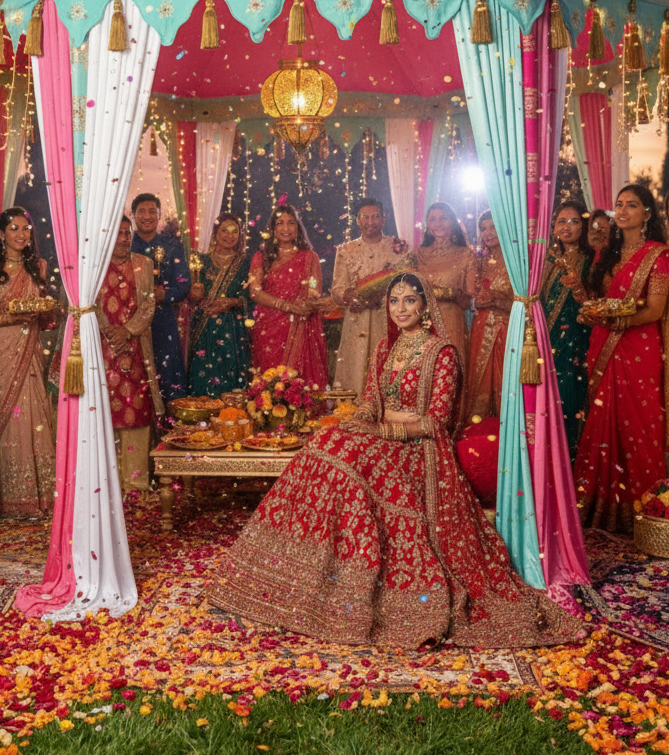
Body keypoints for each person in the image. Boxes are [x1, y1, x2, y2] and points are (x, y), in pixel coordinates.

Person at [205, 273, 581, 649]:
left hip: (420, 450)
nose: (401, 309)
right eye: (395, 301)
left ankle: (347, 577)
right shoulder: (386, 347)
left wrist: (386, 429)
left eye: (410, 300)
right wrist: (360, 420)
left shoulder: (442, 353)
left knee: (349, 462)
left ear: (425, 306)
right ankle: (295, 569)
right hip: (382, 438)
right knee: (325, 444)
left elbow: (435, 422)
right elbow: (371, 401)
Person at [573, 184, 669, 532]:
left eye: (631, 205)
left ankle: (644, 509)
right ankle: (603, 508)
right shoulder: (607, 254)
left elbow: (655, 309)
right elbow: (597, 302)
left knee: (640, 423)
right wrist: (584, 300)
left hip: (639, 348)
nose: (622, 211)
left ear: (647, 213)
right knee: (603, 418)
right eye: (619, 204)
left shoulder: (658, 255)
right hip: (605, 343)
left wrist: (617, 320)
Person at [0, 206, 56, 518]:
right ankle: (10, 499)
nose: (21, 235)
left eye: (26, 229)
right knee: (6, 419)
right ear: (1, 234)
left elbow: (45, 316)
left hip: (29, 350)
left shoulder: (39, 267)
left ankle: (39, 496)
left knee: (33, 414)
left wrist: (45, 311)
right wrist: (13, 317)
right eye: (14, 229)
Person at [97, 216, 163, 492]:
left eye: (128, 233)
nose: (125, 238)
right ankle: (106, 485)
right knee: (102, 414)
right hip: (103, 350)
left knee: (136, 411)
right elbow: (90, 304)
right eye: (119, 233)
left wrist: (128, 331)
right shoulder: (95, 267)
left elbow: (149, 305)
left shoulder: (143, 264)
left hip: (136, 348)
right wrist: (109, 332)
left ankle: (136, 484)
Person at [248, 205, 329, 390]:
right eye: (280, 223)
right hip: (268, 330)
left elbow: (314, 289)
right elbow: (255, 292)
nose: (286, 228)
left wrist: (307, 304)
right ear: (272, 228)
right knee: (269, 383)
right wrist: (287, 306)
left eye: (291, 223)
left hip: (301, 324)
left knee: (301, 384)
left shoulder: (310, 257)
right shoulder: (261, 257)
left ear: (298, 227)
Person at [330, 197, 406, 395]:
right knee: (355, 371)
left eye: (375, 216)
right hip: (357, 321)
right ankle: (353, 408)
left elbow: (405, 283)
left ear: (384, 219)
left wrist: (383, 297)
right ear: (358, 220)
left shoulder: (397, 247)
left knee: (387, 365)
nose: (370, 222)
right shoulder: (346, 250)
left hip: (388, 319)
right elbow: (337, 288)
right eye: (365, 217)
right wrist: (348, 297)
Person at [540, 200, 594, 458]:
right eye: (561, 221)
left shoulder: (591, 259)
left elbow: (594, 304)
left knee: (570, 396)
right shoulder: (546, 261)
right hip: (545, 339)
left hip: (576, 339)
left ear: (584, 227)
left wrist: (578, 289)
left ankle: (570, 459)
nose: (567, 227)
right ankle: (547, 458)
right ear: (553, 228)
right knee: (546, 399)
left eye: (574, 222)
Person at [130, 194, 191, 404]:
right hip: (132, 321)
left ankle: (170, 421)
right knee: (136, 377)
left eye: (152, 212)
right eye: (141, 211)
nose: (147, 216)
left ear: (159, 215)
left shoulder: (172, 246)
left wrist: (165, 294)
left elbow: (184, 284)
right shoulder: (126, 245)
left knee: (168, 376)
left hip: (163, 320)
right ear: (133, 215)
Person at [187, 213, 252, 397]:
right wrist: (194, 294)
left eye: (234, 231)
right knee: (202, 375)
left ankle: (230, 412)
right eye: (224, 230)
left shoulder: (246, 263)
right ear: (215, 232)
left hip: (233, 330)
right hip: (203, 327)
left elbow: (253, 296)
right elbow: (189, 297)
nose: (229, 235)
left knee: (231, 378)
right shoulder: (201, 261)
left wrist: (232, 302)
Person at [412, 202, 476, 383]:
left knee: (448, 377)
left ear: (453, 222)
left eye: (443, 218)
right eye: (432, 219)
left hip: (451, 323)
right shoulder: (419, 255)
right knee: (421, 376)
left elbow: (470, 301)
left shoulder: (466, 255)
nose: (437, 224)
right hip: (421, 323)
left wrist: (449, 294)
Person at [463, 212, 511, 425]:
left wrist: (497, 300)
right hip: (480, 328)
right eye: (483, 229)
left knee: (504, 381)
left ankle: (505, 430)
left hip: (505, 329)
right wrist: (476, 302)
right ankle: (479, 431)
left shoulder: (516, 262)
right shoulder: (479, 261)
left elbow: (525, 301)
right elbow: (470, 297)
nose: (488, 233)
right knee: (478, 382)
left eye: (493, 227)